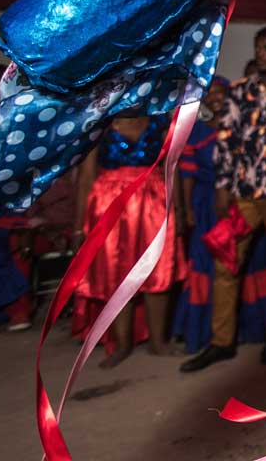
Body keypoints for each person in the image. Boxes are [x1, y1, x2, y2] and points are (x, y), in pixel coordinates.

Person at [180, 27, 266, 372]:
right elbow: (226, 138)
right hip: (245, 193)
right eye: (259, 47)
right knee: (227, 262)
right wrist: (223, 186)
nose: (262, 52)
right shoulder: (240, 91)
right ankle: (221, 343)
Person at [72, 114, 185, 367]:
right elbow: (86, 179)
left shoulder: (160, 123)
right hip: (110, 208)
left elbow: (171, 167)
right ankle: (122, 345)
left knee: (158, 273)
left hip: (154, 204)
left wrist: (178, 210)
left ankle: (159, 343)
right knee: (117, 276)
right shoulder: (99, 126)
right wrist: (79, 228)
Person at [172, 76, 266, 354]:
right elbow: (187, 176)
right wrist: (187, 212)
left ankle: (248, 331)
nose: (215, 97)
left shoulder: (243, 125)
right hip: (207, 206)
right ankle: (209, 335)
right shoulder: (196, 132)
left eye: (220, 92)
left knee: (248, 262)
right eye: (210, 94)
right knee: (209, 264)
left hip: (242, 201)